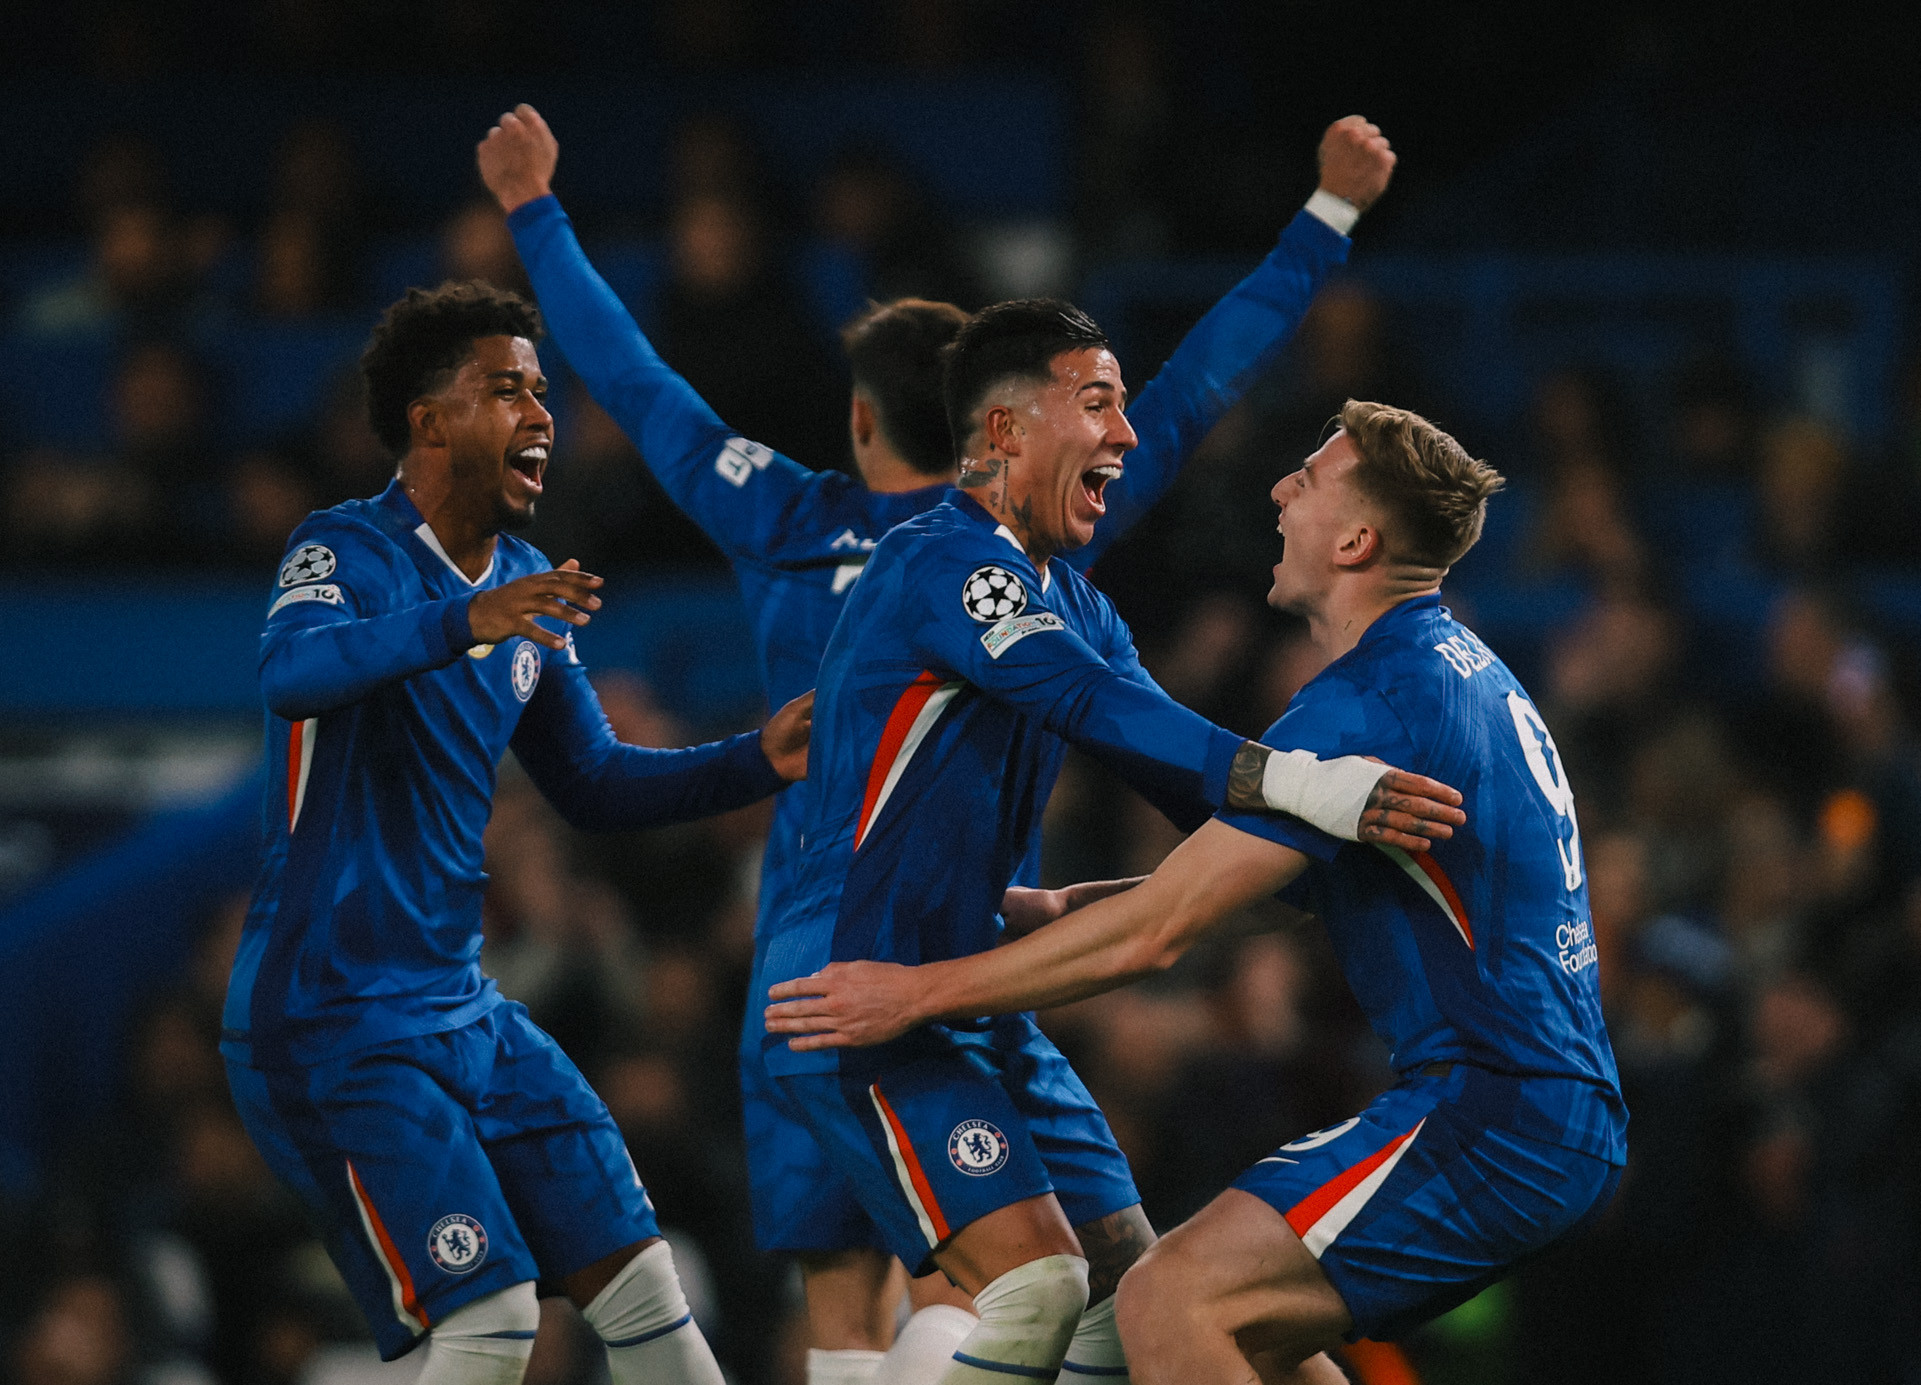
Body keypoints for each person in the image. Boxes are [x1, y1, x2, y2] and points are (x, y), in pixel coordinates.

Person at [476, 103, 1404, 1383]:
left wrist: (535, 212)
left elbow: (633, 380)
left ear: (863, 423)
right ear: (998, 423)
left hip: (929, 952)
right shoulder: (986, 555)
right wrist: (1326, 215)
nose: (1121, 432)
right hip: (868, 965)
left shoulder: (791, 517)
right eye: (1096, 407)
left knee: (910, 1304)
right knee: (1022, 1285)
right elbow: (1201, 383)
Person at [767, 402, 1630, 1383]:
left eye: (1308, 477)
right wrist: (1057, 907)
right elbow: (1248, 896)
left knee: (1169, 1298)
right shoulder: (1452, 669)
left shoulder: (1373, 699)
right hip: (1535, 1109)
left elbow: (1158, 932)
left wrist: (914, 992)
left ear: (1355, 541)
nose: (1278, 489)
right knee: (1232, 1317)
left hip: (1492, 1113)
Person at [219, 281, 813, 1385]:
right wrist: (462, 620)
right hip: (332, 1016)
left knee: (648, 1291)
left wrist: (754, 760)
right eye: (508, 390)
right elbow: (292, 673)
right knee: (492, 1320)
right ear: (430, 421)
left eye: (543, 391)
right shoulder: (345, 549)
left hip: (462, 1005)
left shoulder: (521, 588)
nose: (542, 414)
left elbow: (592, 779)